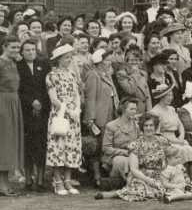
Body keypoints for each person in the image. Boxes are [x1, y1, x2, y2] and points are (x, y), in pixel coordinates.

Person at [96, 114, 168, 201]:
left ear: (155, 127)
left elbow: (168, 160)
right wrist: (148, 180)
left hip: (159, 176)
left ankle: (119, 192)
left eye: (151, 125)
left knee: (162, 189)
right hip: (141, 176)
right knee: (141, 192)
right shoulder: (135, 145)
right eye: (146, 126)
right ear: (142, 127)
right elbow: (134, 169)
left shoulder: (162, 141)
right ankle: (114, 194)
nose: (148, 128)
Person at [46, 44, 83, 195]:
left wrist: (77, 110)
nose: (69, 60)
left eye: (70, 57)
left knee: (71, 147)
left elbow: (76, 94)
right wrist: (67, 110)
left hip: (73, 116)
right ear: (59, 59)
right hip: (60, 114)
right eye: (66, 58)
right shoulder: (51, 75)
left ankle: (68, 180)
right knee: (58, 147)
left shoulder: (72, 74)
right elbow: (54, 99)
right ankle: (57, 181)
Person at [17, 39, 50, 191]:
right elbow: (18, 89)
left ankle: (40, 180)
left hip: (43, 110)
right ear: (22, 52)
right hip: (25, 111)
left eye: (33, 50)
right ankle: (28, 179)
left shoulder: (43, 65)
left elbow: (47, 87)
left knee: (41, 144)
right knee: (28, 145)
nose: (31, 52)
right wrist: (31, 102)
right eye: (27, 50)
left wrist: (40, 103)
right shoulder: (18, 66)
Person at [84, 49, 120, 186]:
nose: (109, 62)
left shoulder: (106, 75)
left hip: (110, 115)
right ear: (99, 61)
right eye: (107, 60)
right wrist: (90, 119)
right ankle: (96, 176)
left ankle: (104, 175)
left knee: (106, 145)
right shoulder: (93, 75)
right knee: (97, 146)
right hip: (99, 116)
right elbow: (90, 98)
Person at [150, 84, 192, 165]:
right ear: (161, 97)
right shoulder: (155, 112)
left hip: (177, 139)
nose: (171, 98)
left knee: (189, 149)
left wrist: (181, 136)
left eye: (171, 95)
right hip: (165, 142)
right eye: (168, 95)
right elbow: (157, 134)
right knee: (185, 150)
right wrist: (177, 141)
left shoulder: (171, 109)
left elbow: (180, 125)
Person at [0, 38, 25, 195]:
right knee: (4, 143)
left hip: (14, 103)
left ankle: (5, 182)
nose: (16, 50)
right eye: (13, 47)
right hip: (2, 104)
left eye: (18, 47)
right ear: (4, 47)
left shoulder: (13, 63)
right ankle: (2, 185)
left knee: (10, 143)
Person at [102, 98, 140, 181]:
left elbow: (139, 142)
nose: (134, 112)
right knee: (121, 161)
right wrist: (125, 152)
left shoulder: (136, 126)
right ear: (123, 109)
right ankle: (125, 182)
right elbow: (106, 148)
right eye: (131, 109)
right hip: (115, 157)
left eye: (135, 109)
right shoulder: (111, 126)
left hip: (132, 155)